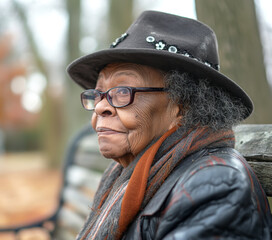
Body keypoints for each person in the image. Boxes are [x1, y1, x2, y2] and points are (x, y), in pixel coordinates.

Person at [67, 11, 272, 240]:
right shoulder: (130, 173)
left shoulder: (216, 187)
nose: (100, 107)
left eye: (122, 91)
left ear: (183, 104)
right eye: (99, 94)